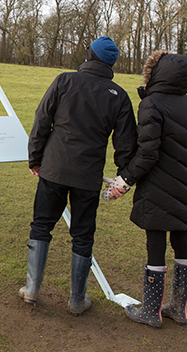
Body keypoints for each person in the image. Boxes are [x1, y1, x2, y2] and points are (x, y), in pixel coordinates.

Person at [20, 37, 137, 315]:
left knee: (41, 225)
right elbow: (126, 143)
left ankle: (32, 289)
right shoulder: (119, 95)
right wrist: (123, 176)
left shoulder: (64, 80)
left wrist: (35, 158)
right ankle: (76, 300)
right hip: (88, 175)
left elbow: (42, 119)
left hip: (55, 168)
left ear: (89, 56)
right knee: (83, 235)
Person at [103, 50, 187, 328]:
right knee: (181, 237)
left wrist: (124, 181)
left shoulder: (151, 104)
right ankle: (178, 308)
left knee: (156, 240)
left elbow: (147, 152)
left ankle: (151, 311)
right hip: (183, 182)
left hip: (157, 184)